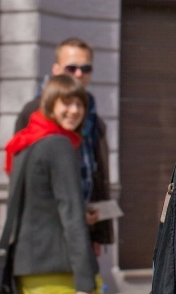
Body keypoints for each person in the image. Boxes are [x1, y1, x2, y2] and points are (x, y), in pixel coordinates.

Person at [15, 39, 112, 254]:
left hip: (84, 228)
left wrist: (98, 233)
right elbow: (26, 180)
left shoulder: (93, 118)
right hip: (46, 232)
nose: (79, 74)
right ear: (56, 69)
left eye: (85, 68)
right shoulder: (34, 114)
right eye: (71, 68)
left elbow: (95, 176)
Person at [4, 74, 99, 294]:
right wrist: (85, 282)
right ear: (50, 105)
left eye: (79, 104)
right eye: (66, 102)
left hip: (27, 269)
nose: (74, 110)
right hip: (59, 270)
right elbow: (71, 215)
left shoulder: (26, 143)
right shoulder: (59, 145)